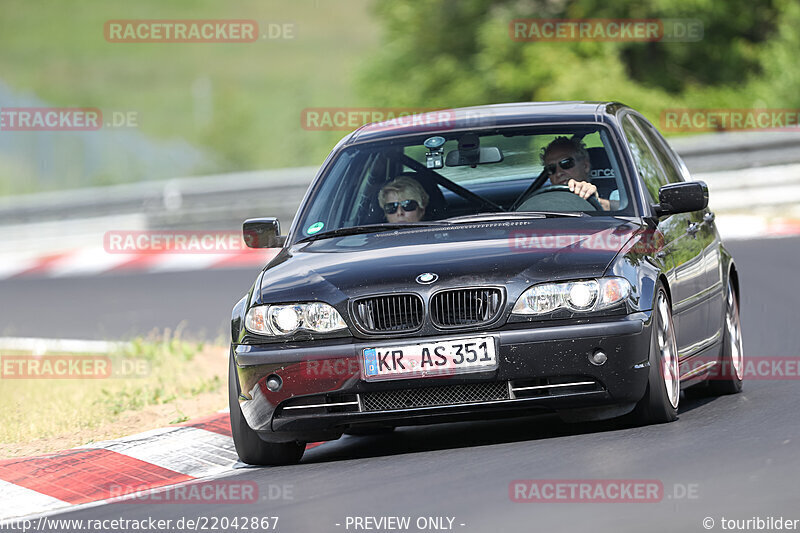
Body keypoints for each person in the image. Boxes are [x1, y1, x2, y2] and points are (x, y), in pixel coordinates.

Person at [541, 136, 611, 210]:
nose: (558, 173)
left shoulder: (616, 194)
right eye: (551, 168)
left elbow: (619, 208)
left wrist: (596, 201)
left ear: (585, 166)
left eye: (566, 163)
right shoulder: (542, 200)